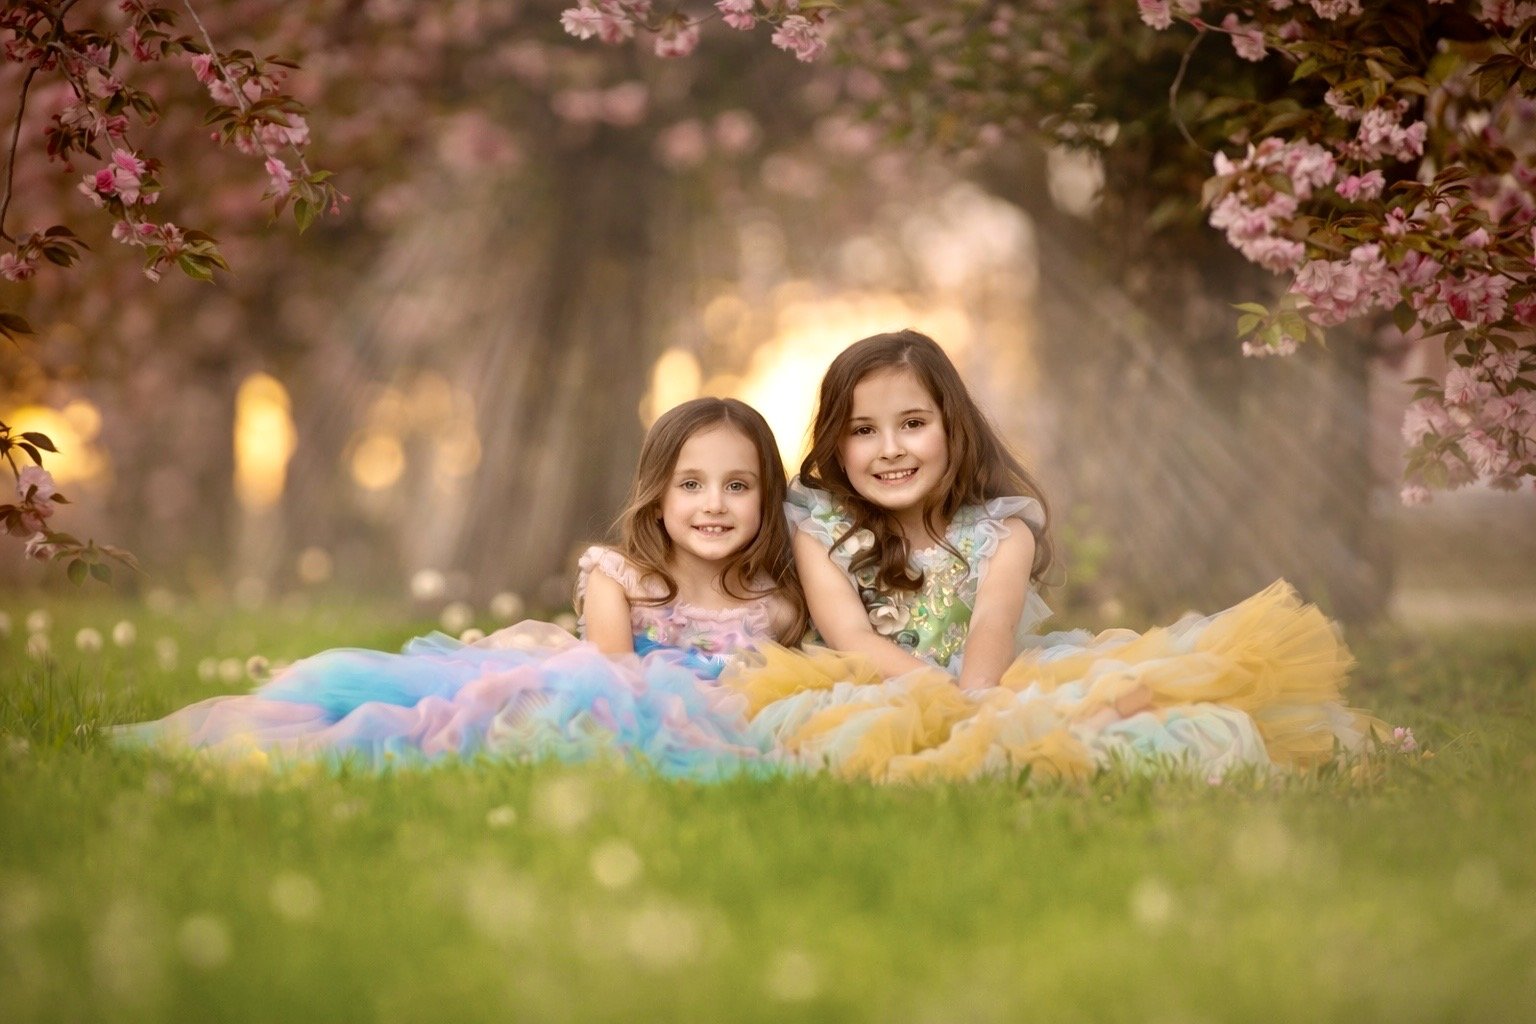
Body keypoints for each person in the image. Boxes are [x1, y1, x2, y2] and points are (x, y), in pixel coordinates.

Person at [726, 329, 1384, 783]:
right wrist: (934, 698)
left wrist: (976, 702)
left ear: (953, 427)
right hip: (871, 682)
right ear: (836, 447)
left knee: (1127, 704)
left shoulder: (1002, 532)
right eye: (864, 431)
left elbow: (990, 625)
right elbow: (850, 635)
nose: (891, 448)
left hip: (989, 680)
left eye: (913, 424)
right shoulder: (822, 530)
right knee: (832, 738)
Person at [115, 398, 806, 779]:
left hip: (711, 718)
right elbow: (614, 677)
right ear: (658, 497)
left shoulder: (773, 604)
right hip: (605, 702)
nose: (713, 504)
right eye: (691, 484)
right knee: (426, 722)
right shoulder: (621, 577)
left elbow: (778, 689)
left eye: (736, 486)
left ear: (764, 497)